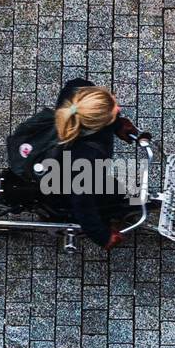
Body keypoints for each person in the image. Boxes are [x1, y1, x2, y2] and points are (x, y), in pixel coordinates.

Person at [36, 78, 145, 250]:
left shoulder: (76, 93)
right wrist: (102, 236)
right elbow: (82, 204)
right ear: (98, 124)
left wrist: (116, 124)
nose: (119, 108)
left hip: (61, 164)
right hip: (66, 182)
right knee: (117, 196)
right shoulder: (86, 159)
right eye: (113, 111)